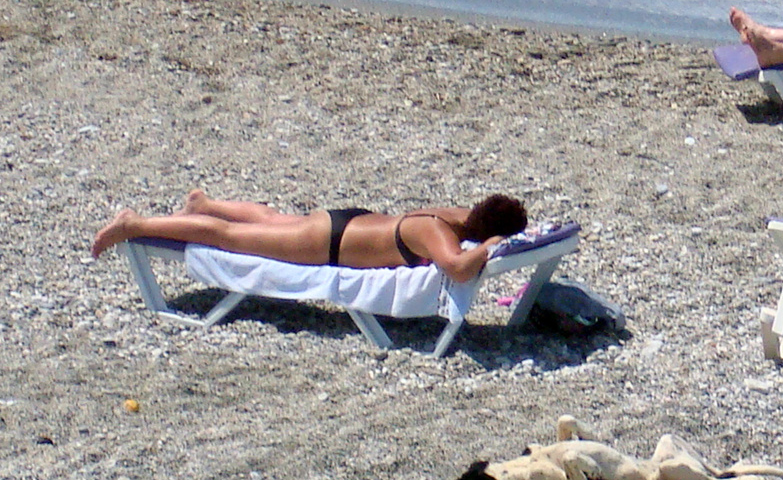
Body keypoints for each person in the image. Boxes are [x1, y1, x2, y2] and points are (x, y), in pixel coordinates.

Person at [91, 191, 527, 283]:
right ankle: (136, 225)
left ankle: (204, 203)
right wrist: (489, 248)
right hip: (329, 245)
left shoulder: (457, 214)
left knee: (271, 218)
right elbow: (457, 269)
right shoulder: (438, 232)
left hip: (344, 222)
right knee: (227, 237)